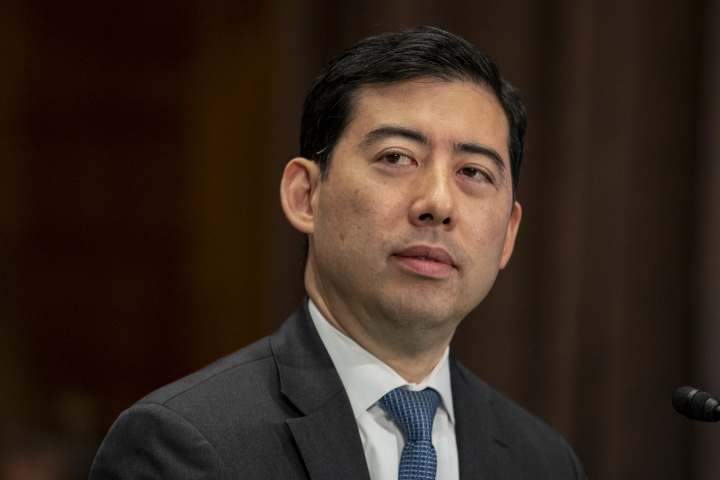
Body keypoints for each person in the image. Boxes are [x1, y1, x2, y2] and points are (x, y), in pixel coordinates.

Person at [89, 26, 587, 480]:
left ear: (508, 235)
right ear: (305, 195)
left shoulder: (544, 462)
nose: (437, 203)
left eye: (474, 172)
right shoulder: (182, 444)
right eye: (396, 157)